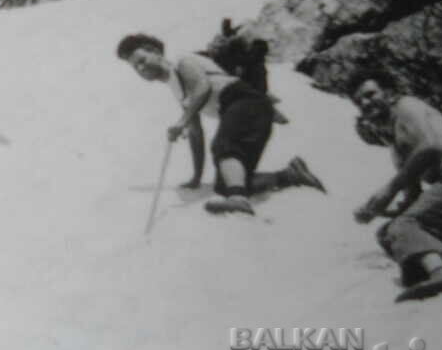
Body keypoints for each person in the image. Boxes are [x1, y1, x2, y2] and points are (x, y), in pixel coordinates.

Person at [116, 33, 323, 214]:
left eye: (142, 60)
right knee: (229, 182)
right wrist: (196, 177)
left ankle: (238, 202)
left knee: (224, 147)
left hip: (243, 99)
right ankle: (290, 175)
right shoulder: (176, 88)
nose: (141, 69)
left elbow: (203, 88)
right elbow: (196, 132)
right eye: (135, 67)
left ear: (155, 51)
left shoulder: (182, 62)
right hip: (243, 110)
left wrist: (181, 121)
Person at [350, 70, 442, 302]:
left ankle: (441, 273)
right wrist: (377, 209)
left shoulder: (407, 106)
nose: (366, 103)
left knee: (402, 227)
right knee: (387, 233)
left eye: (370, 94)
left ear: (388, 92)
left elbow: (432, 145)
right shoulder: (396, 146)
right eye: (359, 102)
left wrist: (389, 190)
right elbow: (413, 197)